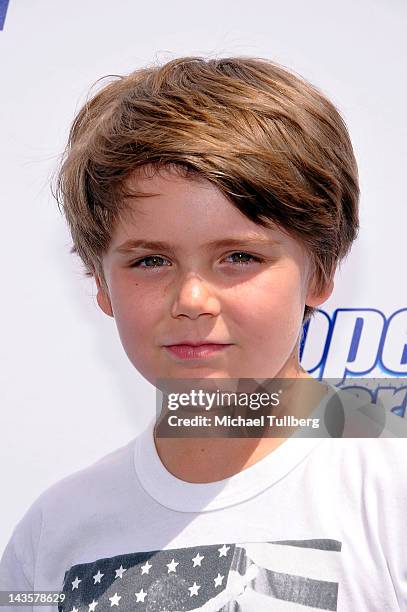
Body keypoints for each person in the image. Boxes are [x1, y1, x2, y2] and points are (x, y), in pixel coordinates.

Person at [0, 56, 405, 611]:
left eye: (239, 257)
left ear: (322, 270)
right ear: (100, 282)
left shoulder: (390, 489)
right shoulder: (53, 533)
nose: (192, 300)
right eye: (149, 262)